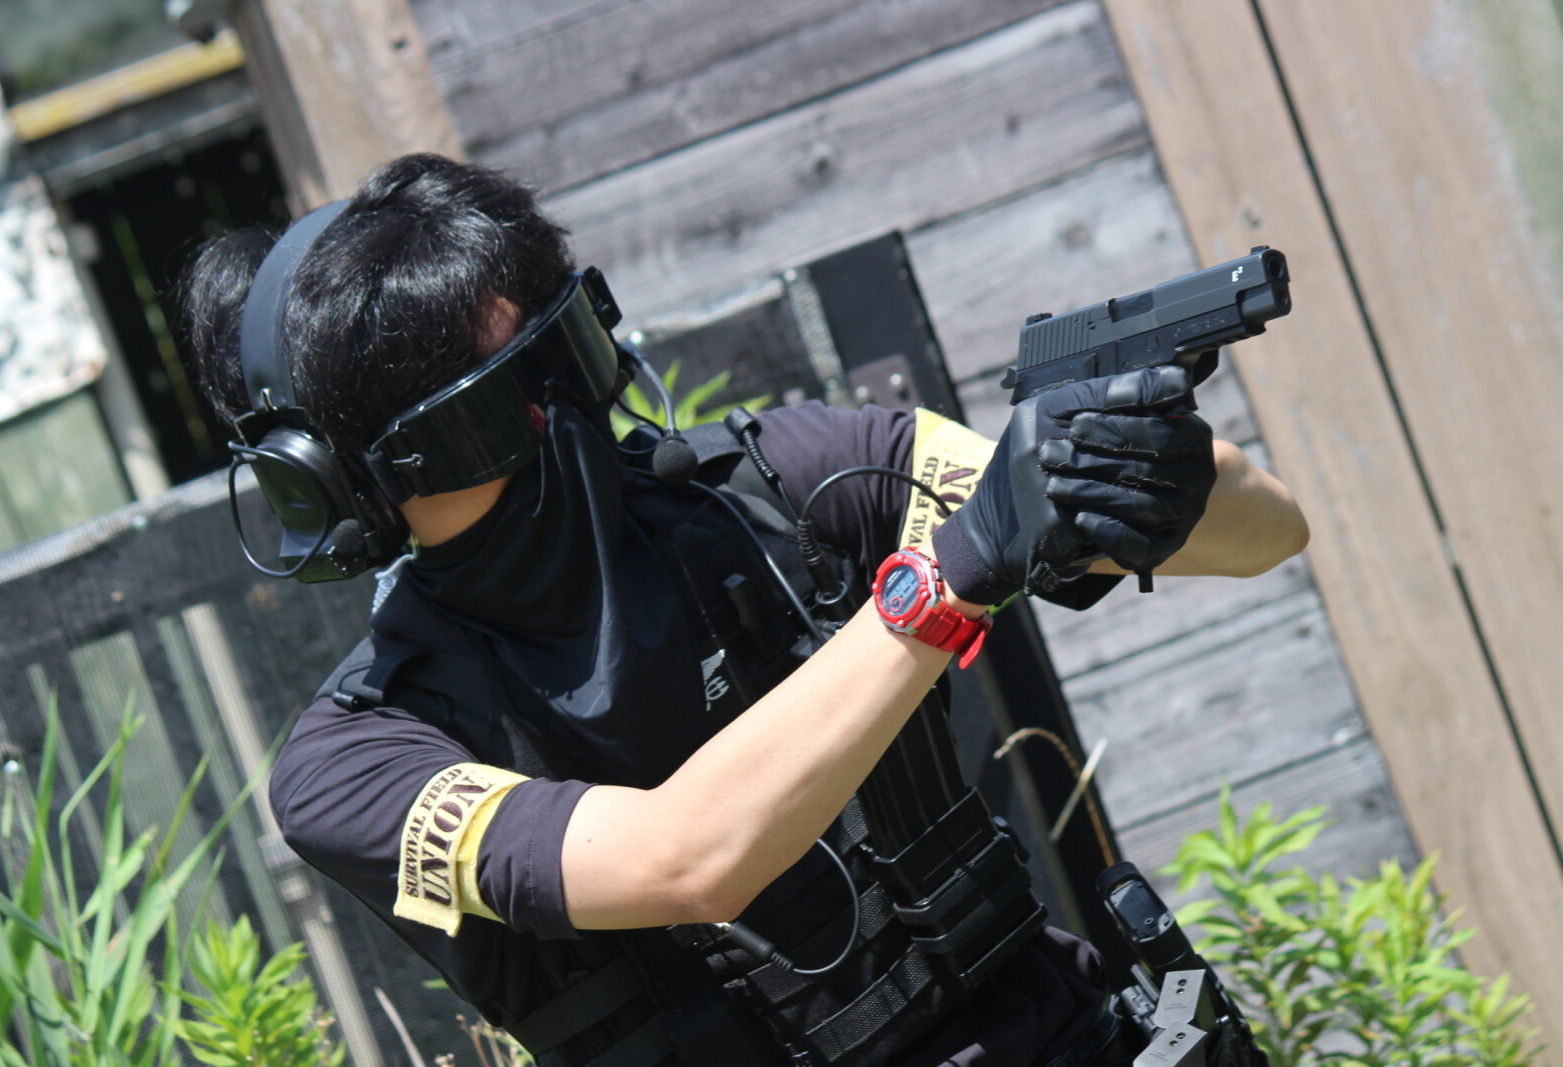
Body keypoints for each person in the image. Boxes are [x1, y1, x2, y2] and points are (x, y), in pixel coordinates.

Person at [180, 154, 1308, 1066]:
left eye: (562, 355)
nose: (553, 416)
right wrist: (949, 576)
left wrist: (1145, 467)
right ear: (340, 486)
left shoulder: (778, 484)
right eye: (487, 411)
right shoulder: (358, 761)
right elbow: (689, 855)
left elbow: (1265, 532)